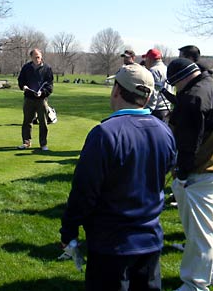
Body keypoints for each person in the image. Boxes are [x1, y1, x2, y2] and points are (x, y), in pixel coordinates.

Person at [60, 63, 177, 291]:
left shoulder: (105, 133)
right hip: (150, 240)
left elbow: (84, 191)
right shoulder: (165, 131)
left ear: (116, 90)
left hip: (111, 245)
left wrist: (69, 231)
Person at [166, 58, 213, 291]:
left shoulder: (193, 96)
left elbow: (188, 143)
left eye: (175, 84)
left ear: (180, 79)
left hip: (203, 173)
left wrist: (182, 175)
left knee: (200, 234)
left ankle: (195, 284)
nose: (176, 89)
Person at [17, 48, 54, 151]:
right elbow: (21, 80)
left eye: (38, 57)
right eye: (35, 57)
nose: (37, 59)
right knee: (27, 122)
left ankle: (43, 144)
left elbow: (50, 85)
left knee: (43, 123)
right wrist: (23, 86)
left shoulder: (47, 68)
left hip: (42, 100)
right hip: (29, 98)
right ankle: (26, 142)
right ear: (31, 57)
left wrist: (43, 93)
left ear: (41, 56)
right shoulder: (26, 68)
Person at [142, 48, 173, 121]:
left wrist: (148, 110)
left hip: (156, 110)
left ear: (150, 59)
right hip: (167, 108)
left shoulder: (153, 71)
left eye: (146, 59)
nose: (145, 61)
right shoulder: (166, 68)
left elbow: (153, 92)